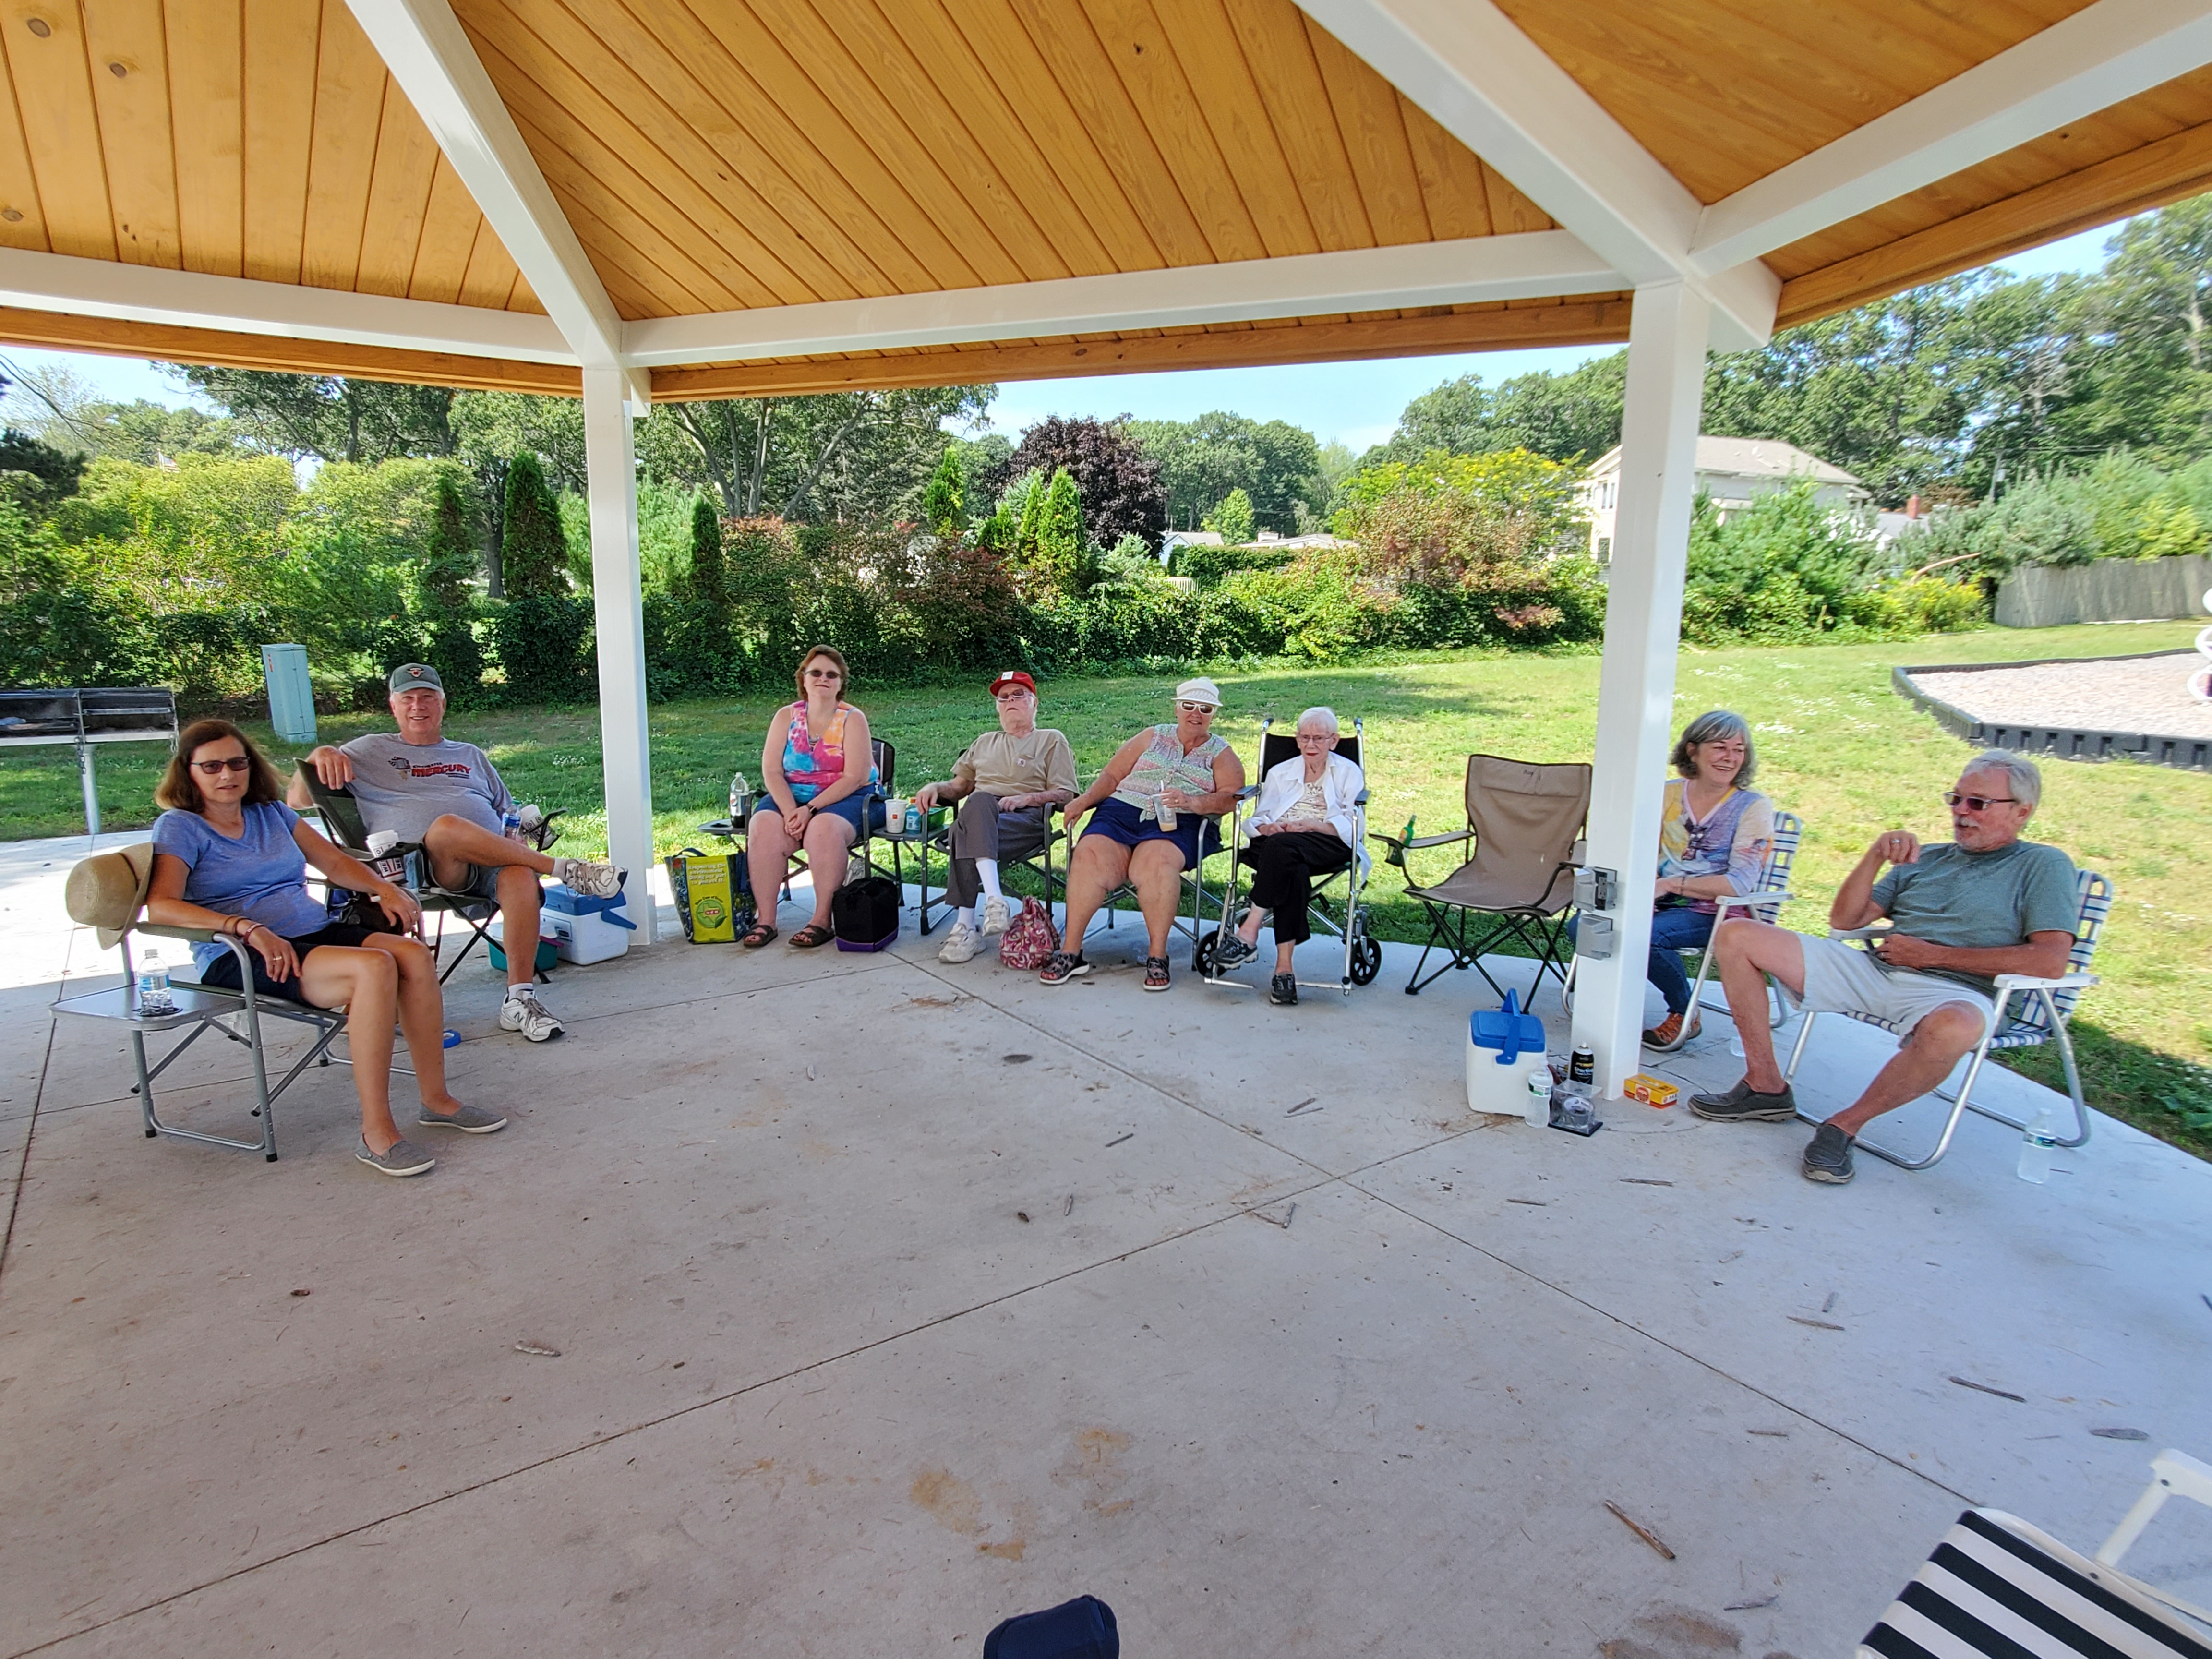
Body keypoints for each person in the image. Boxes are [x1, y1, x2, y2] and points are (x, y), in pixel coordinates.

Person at [1688, 751, 2078, 1186]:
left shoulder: (2043, 866)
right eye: (1955, 799)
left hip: (1957, 991)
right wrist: (1875, 854)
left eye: (1978, 803)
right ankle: (1765, 1085)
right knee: (1736, 935)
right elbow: (1845, 920)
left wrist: (1931, 956)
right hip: (1879, 969)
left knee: (1957, 1027)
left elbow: (2050, 961)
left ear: (2022, 812)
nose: (1961, 813)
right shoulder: (1926, 858)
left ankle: (1844, 1126)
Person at [151, 719, 505, 1178]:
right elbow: (161, 906)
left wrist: (385, 889)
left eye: (237, 763)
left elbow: (334, 862)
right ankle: (376, 1133)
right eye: (212, 766)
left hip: (310, 932)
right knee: (374, 967)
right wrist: (244, 927)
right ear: (189, 771)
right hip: (239, 953)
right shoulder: (180, 827)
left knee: (413, 955)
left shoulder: (271, 814)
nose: (227, 775)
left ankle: (436, 1100)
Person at [291, 662, 623, 1043]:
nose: (418, 706)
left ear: (443, 704)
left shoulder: (470, 755)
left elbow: (509, 811)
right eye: (408, 699)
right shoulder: (366, 751)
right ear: (393, 706)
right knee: (447, 827)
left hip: (486, 863)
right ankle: (567, 870)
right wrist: (320, 754)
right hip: (418, 870)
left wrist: (518, 839)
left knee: (519, 874)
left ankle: (520, 998)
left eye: (428, 697)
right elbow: (296, 800)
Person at [1568, 710, 1774, 1051]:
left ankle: (1685, 1011)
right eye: (1720, 748)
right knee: (1584, 925)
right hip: (1660, 898)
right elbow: (1642, 853)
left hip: (1715, 910)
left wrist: (1668, 886)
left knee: (1646, 937)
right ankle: (1608, 1001)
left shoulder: (1752, 807)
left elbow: (1739, 884)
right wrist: (1645, 889)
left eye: (1739, 750)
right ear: (1693, 750)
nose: (1730, 757)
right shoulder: (1668, 795)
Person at [1038, 678, 1245, 993]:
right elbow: (1113, 775)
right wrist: (1084, 801)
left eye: (1205, 709)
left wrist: (1192, 802)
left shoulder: (1220, 752)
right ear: (1177, 708)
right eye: (1189, 705)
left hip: (1181, 820)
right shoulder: (1153, 736)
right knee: (1089, 853)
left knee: (1158, 863)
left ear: (1213, 714)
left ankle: (1157, 955)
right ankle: (1071, 952)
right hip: (1122, 810)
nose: (1196, 713)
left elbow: (1232, 797)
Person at [915, 670, 1078, 965]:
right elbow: (958, 788)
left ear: (1035, 703)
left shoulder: (1051, 740)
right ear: (998, 708)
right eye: (1004, 698)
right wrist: (933, 788)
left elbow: (1067, 794)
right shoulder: (984, 742)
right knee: (977, 803)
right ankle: (994, 901)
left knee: (963, 831)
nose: (1010, 701)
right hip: (982, 815)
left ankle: (966, 927)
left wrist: (1027, 799)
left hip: (1024, 820)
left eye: (1019, 695)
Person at [1209, 707, 1362, 1007]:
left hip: (1327, 841)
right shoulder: (1281, 772)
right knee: (1292, 869)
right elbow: (1260, 817)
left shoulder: (1348, 772)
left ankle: (1248, 932)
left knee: (1281, 849)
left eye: (1319, 739)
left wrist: (1313, 825)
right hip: (1277, 846)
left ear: (1334, 740)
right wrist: (1268, 827)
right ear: (1297, 738)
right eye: (1305, 738)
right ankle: (1284, 971)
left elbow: (1353, 825)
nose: (1311, 745)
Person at [741, 645, 884, 949]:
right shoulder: (786, 717)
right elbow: (772, 771)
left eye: (832, 675)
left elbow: (855, 776)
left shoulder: (852, 719)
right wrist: (790, 811)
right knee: (763, 826)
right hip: (791, 795)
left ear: (841, 683)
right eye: (816, 673)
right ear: (803, 679)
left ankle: (822, 921)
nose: (823, 679)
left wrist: (810, 809)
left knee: (823, 829)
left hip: (850, 797)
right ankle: (766, 919)